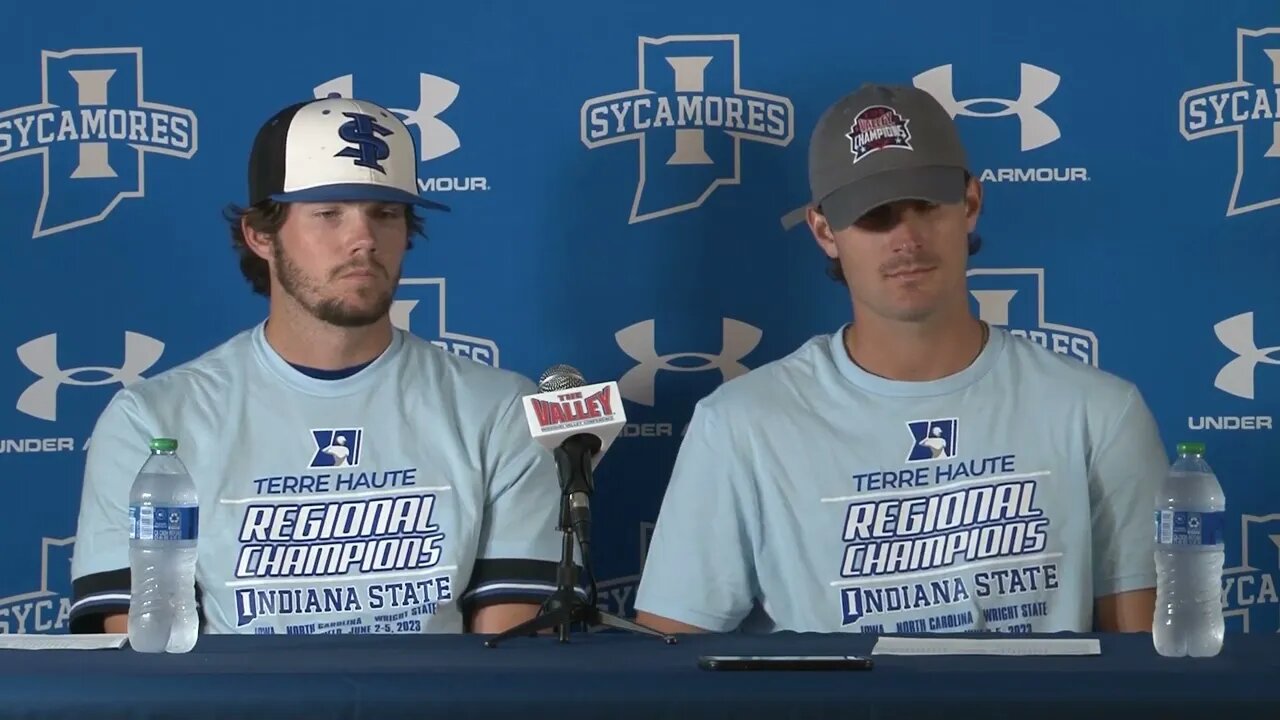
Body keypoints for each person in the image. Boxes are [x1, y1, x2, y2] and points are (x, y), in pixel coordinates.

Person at [633, 83, 1168, 635]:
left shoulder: (1098, 412)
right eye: (876, 216)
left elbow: (1149, 674)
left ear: (971, 205)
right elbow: (671, 662)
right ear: (825, 231)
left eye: (926, 207)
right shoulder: (741, 424)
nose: (907, 238)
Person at [69, 96, 569, 636]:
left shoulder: (499, 412)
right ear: (261, 235)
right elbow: (143, 653)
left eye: (385, 214)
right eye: (328, 213)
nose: (363, 240)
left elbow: (511, 660)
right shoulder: (153, 423)